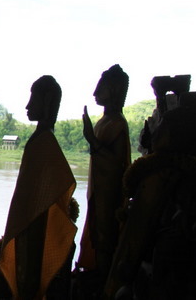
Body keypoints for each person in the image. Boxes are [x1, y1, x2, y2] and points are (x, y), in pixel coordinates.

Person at [0, 76, 77, 300]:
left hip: (33, 224)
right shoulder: (40, 139)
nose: (27, 106)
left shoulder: (45, 142)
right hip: (28, 220)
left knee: (29, 275)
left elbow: (58, 181)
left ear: (47, 102)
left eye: (33, 99)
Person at [75, 64, 131, 285]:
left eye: (102, 87)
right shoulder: (104, 122)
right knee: (97, 234)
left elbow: (116, 163)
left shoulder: (117, 123)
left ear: (114, 90)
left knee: (106, 237)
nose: (95, 92)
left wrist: (92, 140)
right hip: (98, 190)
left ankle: (105, 284)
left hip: (110, 193)